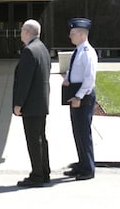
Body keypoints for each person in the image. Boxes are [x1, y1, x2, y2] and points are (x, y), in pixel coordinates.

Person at [12, 19, 52, 187]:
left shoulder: (29, 51)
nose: (20, 33)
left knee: (34, 141)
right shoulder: (42, 48)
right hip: (41, 102)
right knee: (41, 138)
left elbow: (24, 81)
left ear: (28, 32)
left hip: (31, 104)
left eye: (22, 30)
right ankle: (44, 172)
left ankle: (37, 176)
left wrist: (18, 104)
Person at [61, 17, 98, 181]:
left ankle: (88, 168)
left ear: (82, 34)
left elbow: (89, 79)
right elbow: (73, 70)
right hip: (75, 93)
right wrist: (67, 79)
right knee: (77, 131)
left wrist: (78, 97)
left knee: (83, 132)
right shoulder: (78, 51)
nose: (70, 36)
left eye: (73, 33)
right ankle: (82, 163)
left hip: (83, 96)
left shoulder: (88, 53)